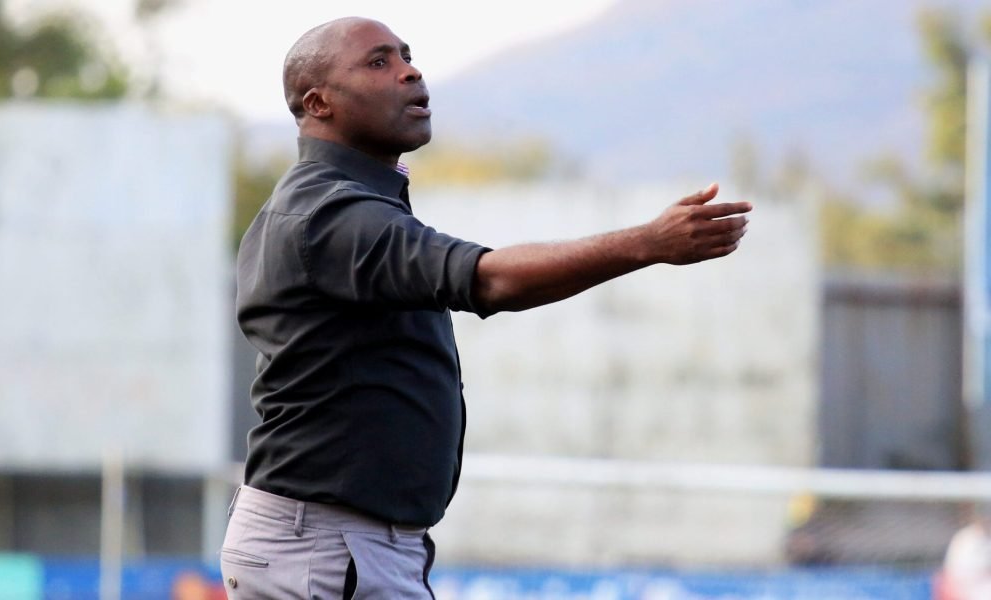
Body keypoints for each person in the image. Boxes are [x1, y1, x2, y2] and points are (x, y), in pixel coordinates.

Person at [223, 16, 752, 599]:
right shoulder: (328, 215)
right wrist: (646, 243)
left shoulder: (345, 205)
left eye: (406, 55)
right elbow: (491, 281)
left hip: (349, 545)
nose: (410, 70)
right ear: (319, 103)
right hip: (322, 548)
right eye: (378, 62)